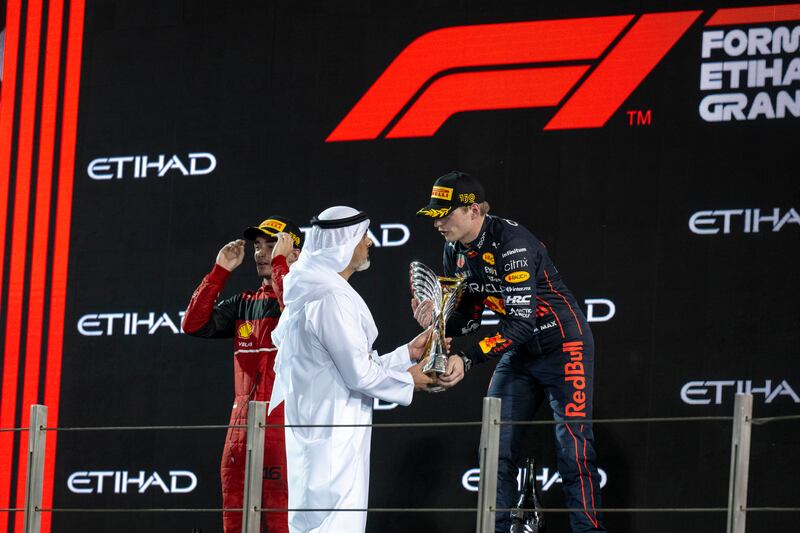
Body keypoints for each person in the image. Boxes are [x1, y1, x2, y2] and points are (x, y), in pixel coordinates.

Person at [414, 171, 606, 533]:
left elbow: (519, 323)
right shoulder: (453, 248)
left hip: (564, 345)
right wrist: (437, 322)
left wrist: (467, 358)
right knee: (494, 450)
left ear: (473, 211)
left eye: (445, 213)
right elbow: (469, 317)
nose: (438, 222)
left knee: (573, 453)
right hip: (520, 351)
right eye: (434, 214)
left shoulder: (512, 243)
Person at [269, 206, 435, 533]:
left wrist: (407, 354)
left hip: (326, 437)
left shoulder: (317, 291)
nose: (370, 243)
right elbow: (358, 374)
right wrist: (409, 380)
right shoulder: (330, 297)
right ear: (342, 245)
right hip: (332, 443)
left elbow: (349, 367)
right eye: (363, 237)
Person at [182, 215, 303, 533]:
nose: (262, 253)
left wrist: (281, 265)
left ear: (295, 252)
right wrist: (220, 271)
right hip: (240, 427)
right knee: (234, 520)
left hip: (286, 426)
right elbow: (193, 324)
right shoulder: (244, 303)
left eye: (272, 246)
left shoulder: (306, 301)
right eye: (259, 247)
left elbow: (291, 301)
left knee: (281, 521)